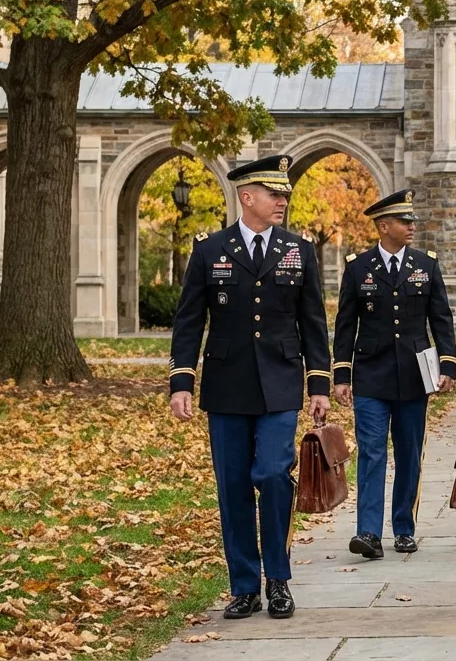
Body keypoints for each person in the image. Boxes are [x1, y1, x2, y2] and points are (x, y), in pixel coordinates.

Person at [167, 154, 331, 621]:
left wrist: (318, 382)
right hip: (226, 386)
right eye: (274, 194)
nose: (283, 200)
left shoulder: (298, 249)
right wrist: (182, 381)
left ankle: (277, 580)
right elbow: (189, 321)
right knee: (233, 486)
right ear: (247, 197)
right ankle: (244, 586)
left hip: (280, 383)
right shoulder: (209, 249)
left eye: (284, 194)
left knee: (274, 476)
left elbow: (313, 320)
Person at [333, 189, 456, 560]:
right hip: (371, 375)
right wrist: (342, 375)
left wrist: (447, 365)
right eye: (405, 221)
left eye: (412, 221)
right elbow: (345, 325)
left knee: (408, 454)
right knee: (371, 453)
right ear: (383, 226)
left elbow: (442, 319)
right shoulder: (358, 267)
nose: (412, 226)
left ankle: (404, 527)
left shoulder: (426, 264)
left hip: (414, 376)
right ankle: (368, 532)